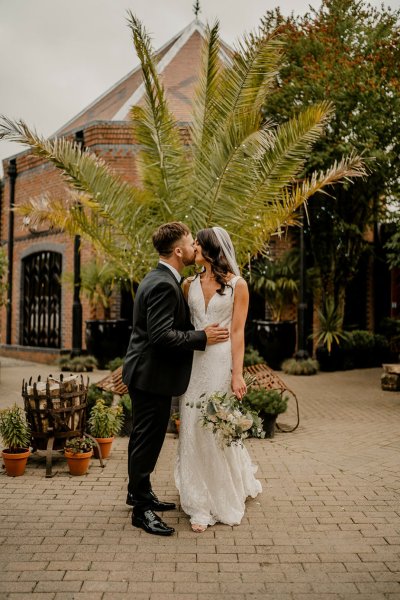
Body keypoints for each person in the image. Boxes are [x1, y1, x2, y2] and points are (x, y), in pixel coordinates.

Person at [122, 221, 230, 536]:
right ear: (179, 250)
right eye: (190, 242)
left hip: (149, 373)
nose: (196, 247)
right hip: (150, 375)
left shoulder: (165, 278)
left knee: (143, 438)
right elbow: (160, 336)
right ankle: (141, 512)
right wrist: (202, 336)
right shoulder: (163, 284)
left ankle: (137, 492)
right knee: (147, 441)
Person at [175, 226, 262, 533]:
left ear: (210, 248)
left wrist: (237, 374)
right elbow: (185, 328)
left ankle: (221, 494)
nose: (193, 247)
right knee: (193, 424)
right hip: (195, 362)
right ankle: (197, 498)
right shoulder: (189, 285)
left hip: (220, 362)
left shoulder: (238, 285)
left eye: (197, 243)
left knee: (214, 424)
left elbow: (238, 333)